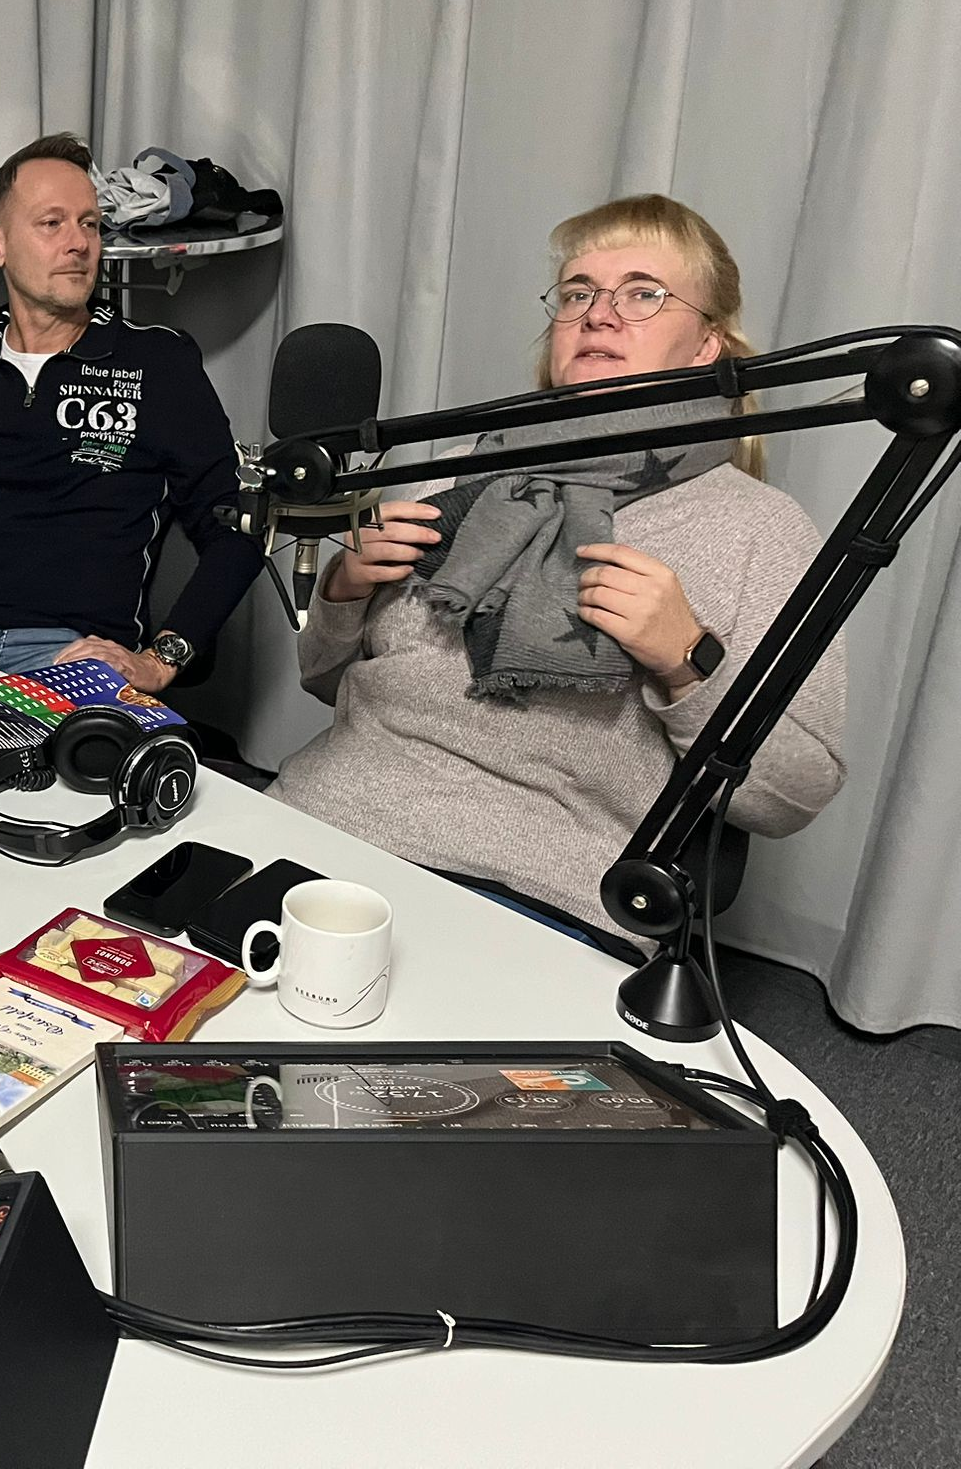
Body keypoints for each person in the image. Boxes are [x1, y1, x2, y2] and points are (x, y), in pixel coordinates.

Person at [271, 194, 846, 947]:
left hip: (538, 893)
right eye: (578, 294)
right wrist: (345, 589)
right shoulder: (453, 470)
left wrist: (687, 660)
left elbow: (790, 797)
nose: (598, 315)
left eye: (643, 294)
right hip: (321, 820)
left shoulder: (759, 528)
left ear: (707, 345)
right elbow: (323, 681)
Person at [0, 133, 262, 691]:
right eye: (52, 223)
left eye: (89, 224)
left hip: (67, 656)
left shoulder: (158, 363)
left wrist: (161, 658)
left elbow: (237, 528)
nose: (79, 243)